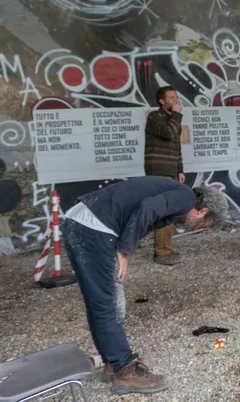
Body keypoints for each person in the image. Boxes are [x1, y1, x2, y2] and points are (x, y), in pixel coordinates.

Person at [63, 177, 228, 394]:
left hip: (79, 222)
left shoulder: (174, 195)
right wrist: (125, 251)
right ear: (202, 211)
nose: (200, 228)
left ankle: (113, 361)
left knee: (98, 300)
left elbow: (141, 211)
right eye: (206, 224)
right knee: (109, 303)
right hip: (95, 227)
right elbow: (147, 208)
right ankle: (124, 370)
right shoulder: (185, 197)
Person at [144, 86, 186, 266]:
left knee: (170, 210)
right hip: (158, 171)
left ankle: (165, 249)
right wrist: (177, 114)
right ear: (161, 101)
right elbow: (168, 133)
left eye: (176, 97)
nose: (175, 101)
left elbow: (176, 146)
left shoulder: (173, 119)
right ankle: (162, 252)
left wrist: (179, 170)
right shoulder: (154, 117)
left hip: (171, 171)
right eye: (171, 98)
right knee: (164, 211)